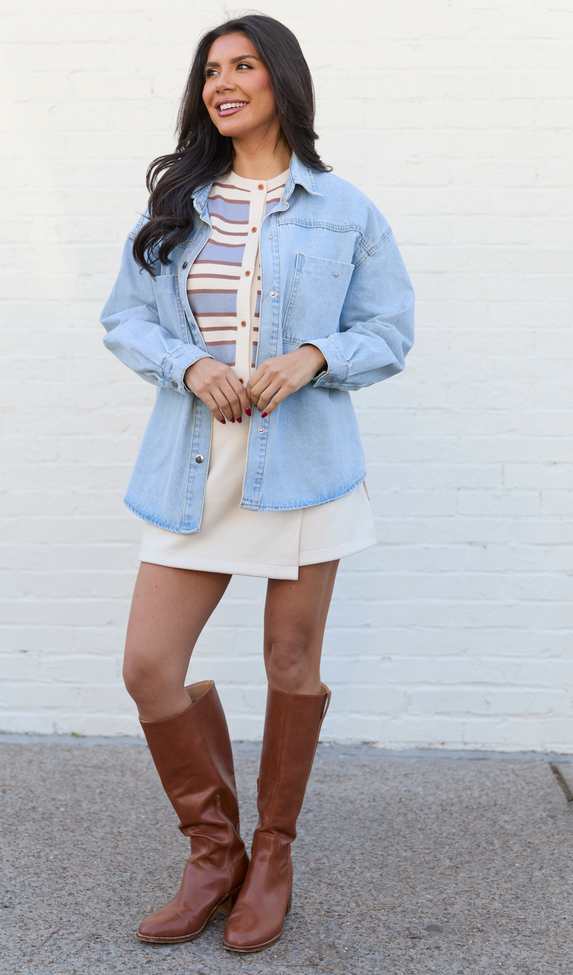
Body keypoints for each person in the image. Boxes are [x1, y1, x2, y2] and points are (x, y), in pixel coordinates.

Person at [100, 13, 414, 954]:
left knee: (290, 665)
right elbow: (125, 319)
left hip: (306, 467)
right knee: (148, 666)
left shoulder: (346, 210)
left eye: (241, 66)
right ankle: (212, 853)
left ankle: (270, 854)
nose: (222, 83)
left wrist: (317, 353)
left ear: (281, 80)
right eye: (209, 71)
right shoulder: (179, 207)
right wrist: (188, 366)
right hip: (196, 468)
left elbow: (389, 332)